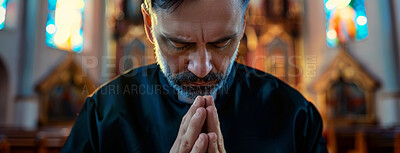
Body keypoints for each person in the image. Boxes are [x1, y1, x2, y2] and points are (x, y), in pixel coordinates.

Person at [61, 0, 328, 152]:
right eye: (179, 44)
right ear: (150, 24)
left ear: (243, 21)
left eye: (221, 43)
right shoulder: (102, 115)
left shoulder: (295, 117)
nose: (201, 68)